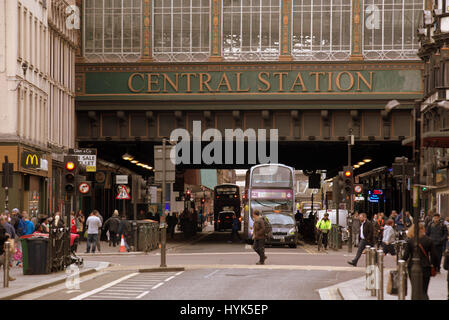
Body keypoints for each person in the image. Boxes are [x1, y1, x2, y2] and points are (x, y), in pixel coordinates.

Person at [403, 223, 439, 300]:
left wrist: (400, 264)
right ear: (423, 229)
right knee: (424, 290)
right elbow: (434, 256)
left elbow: (405, 256)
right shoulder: (429, 240)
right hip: (425, 267)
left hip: (412, 267)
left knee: (415, 289)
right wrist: (434, 266)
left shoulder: (411, 241)